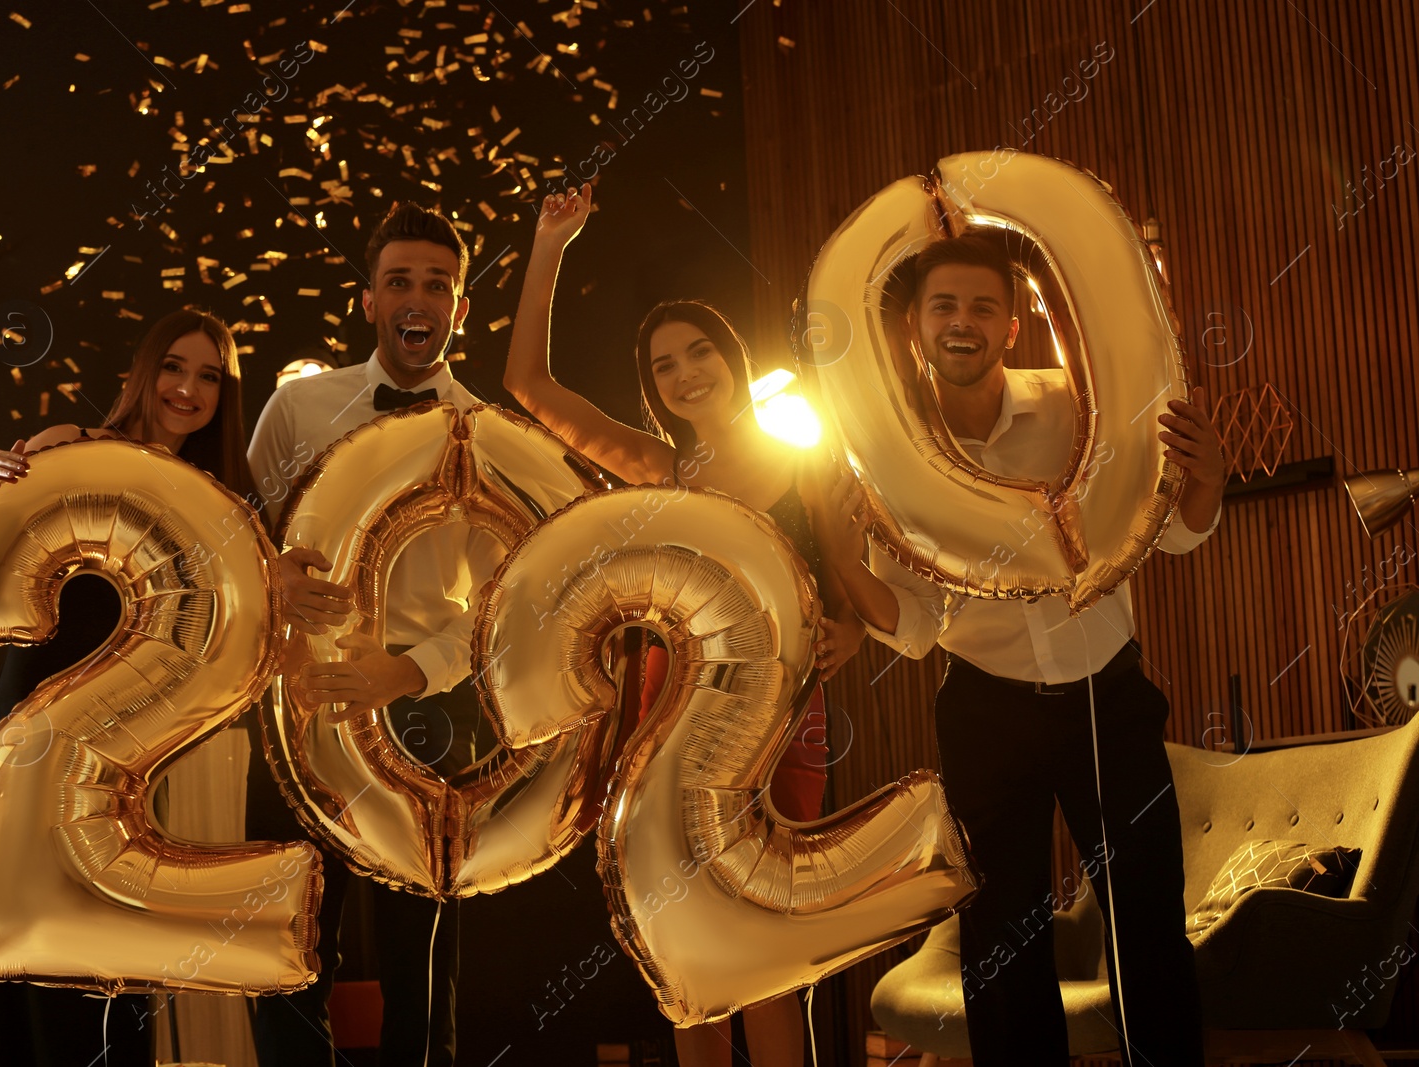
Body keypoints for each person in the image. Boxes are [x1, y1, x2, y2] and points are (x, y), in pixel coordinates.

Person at [823, 233, 1224, 1066]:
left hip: (1107, 697)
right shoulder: (889, 457)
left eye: (982, 306)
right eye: (943, 307)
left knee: (1148, 916)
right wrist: (832, 541)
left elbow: (1170, 537)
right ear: (916, 330)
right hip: (985, 704)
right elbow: (914, 622)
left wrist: (1208, 478)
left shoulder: (1082, 408)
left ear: (1012, 326)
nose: (961, 322)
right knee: (1001, 939)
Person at [503, 183, 866, 1067]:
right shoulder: (660, 469)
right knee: (684, 938)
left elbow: (853, 590)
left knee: (766, 936)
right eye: (665, 365)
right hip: (667, 716)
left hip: (783, 719)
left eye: (699, 350)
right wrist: (551, 244)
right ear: (655, 389)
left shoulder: (802, 451)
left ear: (733, 359)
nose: (685, 371)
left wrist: (850, 633)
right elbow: (526, 385)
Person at [0, 308, 253, 1067]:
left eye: (209, 376)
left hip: (126, 750)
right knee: (24, 932)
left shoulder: (218, 496)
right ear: (145, 370)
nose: (187, 388)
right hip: (32, 725)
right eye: (175, 366)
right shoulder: (74, 445)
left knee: (114, 951)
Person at [245, 201, 499, 1067]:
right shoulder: (294, 409)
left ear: (459, 309)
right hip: (298, 707)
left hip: (426, 714)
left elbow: (508, 602)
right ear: (367, 301)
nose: (416, 296)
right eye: (399, 281)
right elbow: (243, 547)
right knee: (287, 941)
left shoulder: (489, 435)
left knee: (421, 957)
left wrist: (412, 671)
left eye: (437, 283)